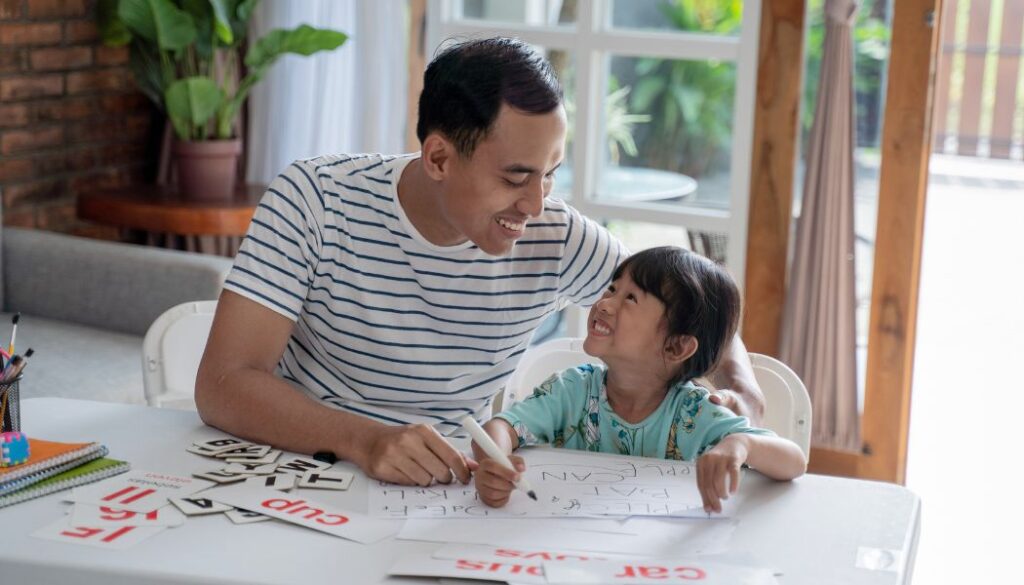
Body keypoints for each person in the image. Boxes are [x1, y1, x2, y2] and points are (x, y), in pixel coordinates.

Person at [195, 37, 765, 488]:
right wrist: (367, 440)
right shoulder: (315, 199)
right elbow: (224, 384)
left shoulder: (555, 233)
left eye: (550, 174)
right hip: (294, 471)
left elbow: (693, 300)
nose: (537, 204)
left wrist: (737, 380)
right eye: (516, 176)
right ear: (439, 156)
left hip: (437, 488)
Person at [472, 247, 806, 513]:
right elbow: (500, 428)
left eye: (630, 299)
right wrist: (495, 463)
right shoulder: (571, 391)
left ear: (676, 346)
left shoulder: (693, 415)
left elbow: (793, 460)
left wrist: (741, 443)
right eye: (612, 289)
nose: (604, 303)